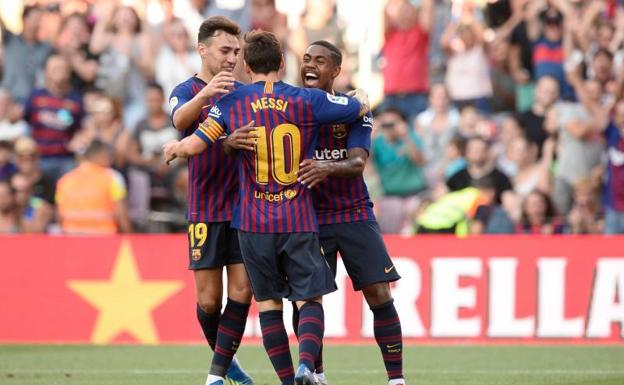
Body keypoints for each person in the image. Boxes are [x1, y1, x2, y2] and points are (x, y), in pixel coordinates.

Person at [164, 30, 369, 385]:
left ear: (245, 63)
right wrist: (362, 98)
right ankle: (308, 366)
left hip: (254, 220)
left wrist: (174, 149)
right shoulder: (306, 100)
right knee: (309, 300)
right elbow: (356, 108)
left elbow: (196, 144)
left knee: (269, 304)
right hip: (297, 217)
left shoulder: (231, 103)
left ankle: (286, 381)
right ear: (283, 63)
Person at [295, 40, 405, 385]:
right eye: (307, 59)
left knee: (379, 294)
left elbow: (358, 162)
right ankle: (317, 375)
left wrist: (326, 168)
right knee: (307, 299)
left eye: (321, 61)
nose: (311, 65)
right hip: (308, 215)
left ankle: (396, 380)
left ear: (336, 70)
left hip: (354, 213)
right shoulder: (292, 107)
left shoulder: (354, 108)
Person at [167, 16, 254, 385]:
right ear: (203, 50)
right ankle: (229, 366)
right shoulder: (187, 89)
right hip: (204, 207)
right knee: (207, 302)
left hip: (242, 206)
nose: (232, 57)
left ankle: (219, 373)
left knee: (242, 292)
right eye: (225, 50)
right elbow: (178, 120)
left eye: (237, 51)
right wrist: (207, 93)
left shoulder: (244, 92)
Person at [22, 54, 85, 182]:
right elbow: (23, 121)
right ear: (46, 72)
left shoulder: (76, 100)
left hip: (65, 159)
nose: (59, 72)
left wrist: (80, 139)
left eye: (62, 68)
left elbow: (83, 128)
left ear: (69, 72)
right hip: (39, 158)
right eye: (55, 69)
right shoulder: (35, 96)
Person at [56, 140, 132, 234]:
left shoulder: (65, 180)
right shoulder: (112, 177)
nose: (111, 160)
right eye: (110, 155)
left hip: (72, 238)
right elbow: (121, 214)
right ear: (102, 155)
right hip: (104, 239)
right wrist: (130, 238)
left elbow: (59, 216)